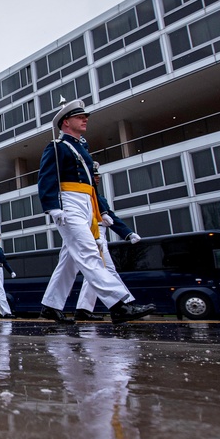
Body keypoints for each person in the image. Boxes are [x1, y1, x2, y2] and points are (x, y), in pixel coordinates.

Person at [37, 101, 154, 324]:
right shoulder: (57, 146)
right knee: (90, 253)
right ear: (66, 122)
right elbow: (46, 178)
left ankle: (51, 306)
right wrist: (52, 206)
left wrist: (102, 211)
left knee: (70, 261)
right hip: (68, 203)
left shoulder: (82, 147)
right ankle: (120, 305)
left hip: (86, 203)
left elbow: (91, 186)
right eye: (79, 116)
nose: (85, 118)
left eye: (85, 115)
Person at [75, 161, 143, 321]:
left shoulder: (95, 195)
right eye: (94, 175)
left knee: (94, 272)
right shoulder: (85, 194)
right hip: (92, 233)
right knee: (107, 270)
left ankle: (84, 309)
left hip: (99, 232)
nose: (97, 178)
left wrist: (128, 233)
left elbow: (110, 215)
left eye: (98, 175)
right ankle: (126, 304)